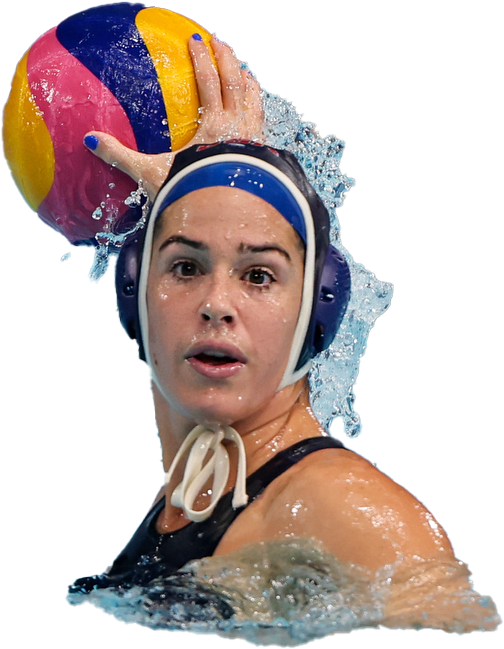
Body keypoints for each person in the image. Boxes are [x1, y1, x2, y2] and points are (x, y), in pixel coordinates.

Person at [66, 33, 499, 633]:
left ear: (317, 309)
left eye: (259, 276)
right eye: (185, 267)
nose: (217, 306)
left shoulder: (341, 506)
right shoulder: (202, 490)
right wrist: (207, 185)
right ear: (134, 293)